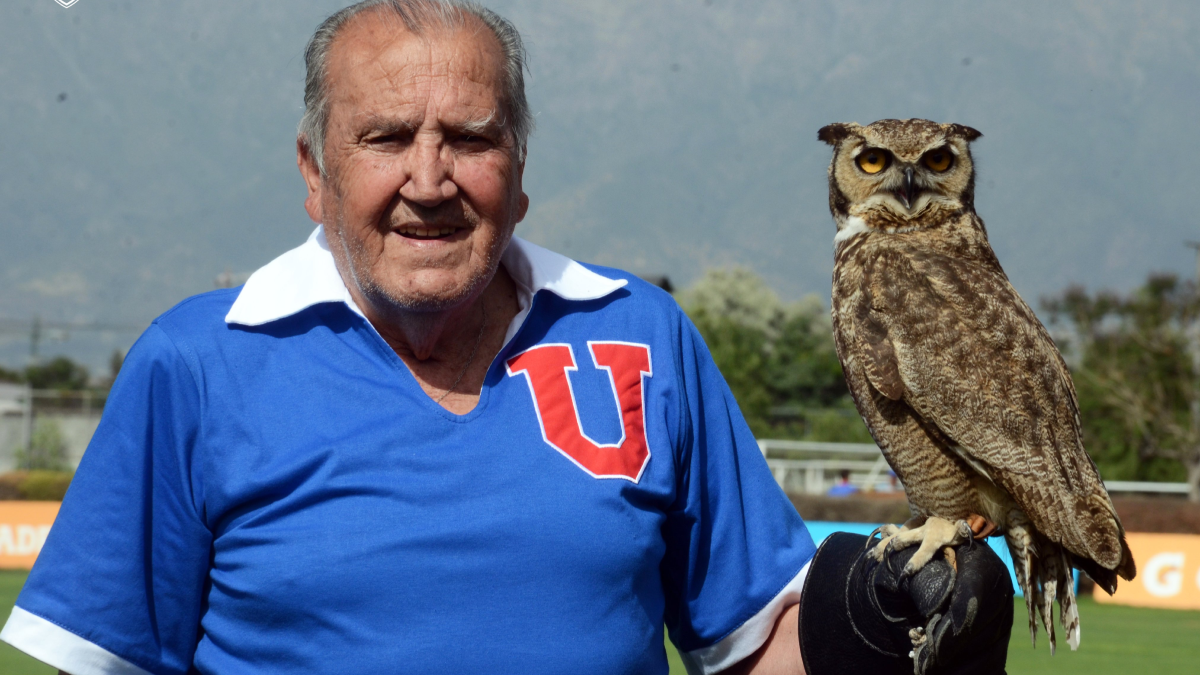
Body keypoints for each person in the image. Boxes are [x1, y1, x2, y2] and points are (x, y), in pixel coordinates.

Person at [0, 2, 1013, 674]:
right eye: (387, 138)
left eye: (472, 140)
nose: (431, 180)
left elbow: (752, 646)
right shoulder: (197, 363)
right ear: (314, 172)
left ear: (520, 172)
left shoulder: (644, 338)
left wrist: (875, 625)